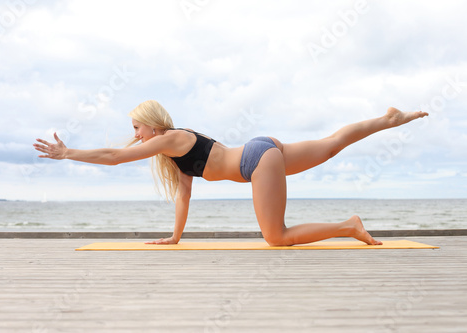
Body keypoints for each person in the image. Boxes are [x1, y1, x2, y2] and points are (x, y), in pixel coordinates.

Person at [34, 100, 428, 246]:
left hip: (255, 162)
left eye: (137, 127)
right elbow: (184, 194)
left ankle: (349, 226)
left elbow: (115, 156)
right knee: (329, 146)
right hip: (260, 150)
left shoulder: (168, 138)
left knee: (277, 237)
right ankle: (388, 119)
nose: (135, 135)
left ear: (152, 126)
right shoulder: (175, 148)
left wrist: (69, 153)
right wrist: (175, 237)